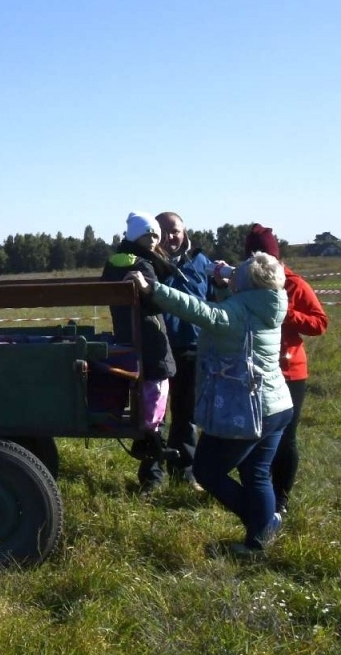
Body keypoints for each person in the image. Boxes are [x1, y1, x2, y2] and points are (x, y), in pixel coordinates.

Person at [133, 251, 293, 555]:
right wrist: (224, 286)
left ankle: (258, 522)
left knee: (206, 471)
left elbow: (202, 312)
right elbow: (231, 313)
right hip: (277, 405)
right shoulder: (270, 303)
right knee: (257, 473)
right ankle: (260, 537)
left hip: (246, 409)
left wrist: (153, 288)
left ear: (246, 282)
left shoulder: (239, 311)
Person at [246, 224, 328, 517]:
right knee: (252, 433)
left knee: (286, 437)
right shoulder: (245, 282)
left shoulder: (295, 284)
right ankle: (257, 490)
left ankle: (281, 497)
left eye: (267, 257)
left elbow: (320, 323)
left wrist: (285, 312)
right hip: (253, 370)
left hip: (290, 371)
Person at [144, 211, 215, 492]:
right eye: (164, 231)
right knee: (153, 415)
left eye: (175, 230)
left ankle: (184, 471)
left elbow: (214, 300)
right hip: (156, 349)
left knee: (186, 414)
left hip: (191, 347)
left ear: (185, 232)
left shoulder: (201, 263)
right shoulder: (147, 261)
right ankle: (152, 477)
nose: (171, 236)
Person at [100, 212, 177, 436]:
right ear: (136, 237)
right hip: (150, 336)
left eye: (156, 235)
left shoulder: (114, 262)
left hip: (125, 332)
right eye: (148, 234)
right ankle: (152, 432)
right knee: (156, 387)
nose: (154, 240)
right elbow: (156, 302)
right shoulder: (143, 264)